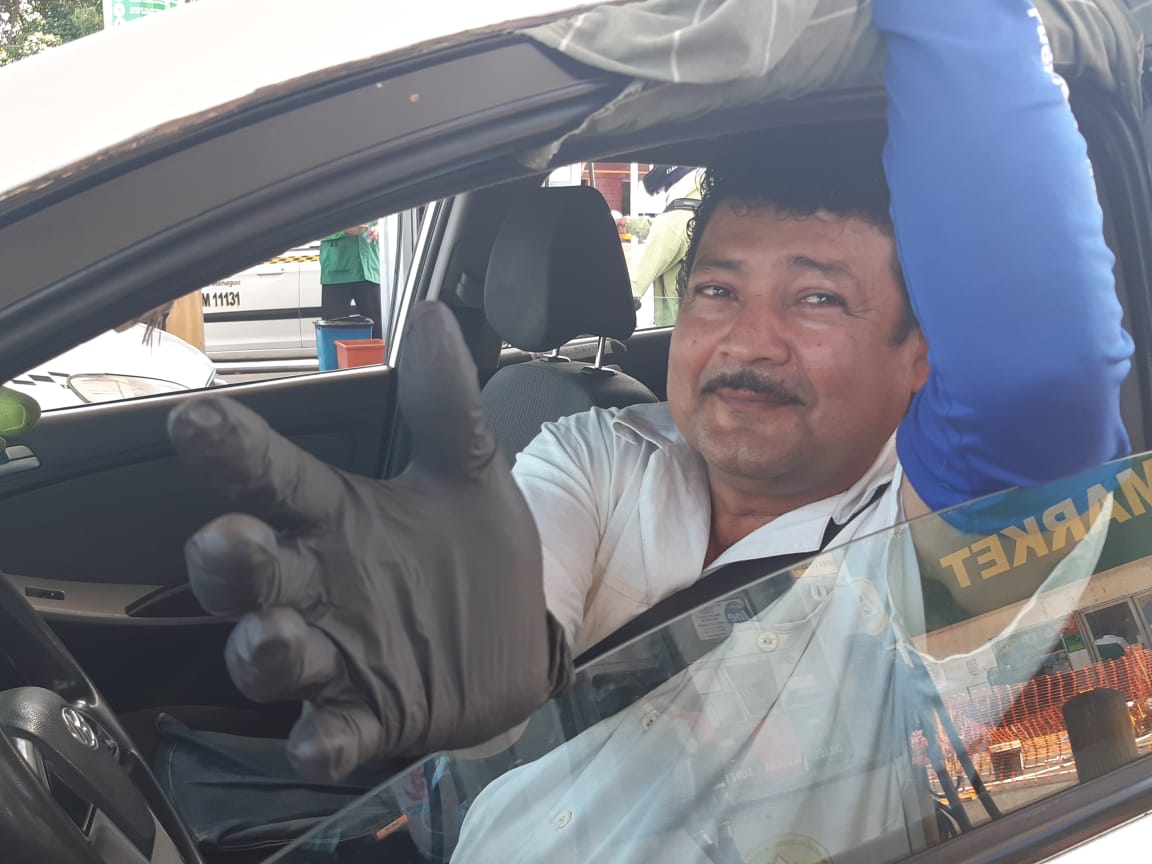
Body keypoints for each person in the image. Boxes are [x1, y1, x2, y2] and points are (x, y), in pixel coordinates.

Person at [164, 0, 1133, 856]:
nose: (748, 340)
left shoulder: (932, 544)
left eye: (818, 299)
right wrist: (482, 641)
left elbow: (1041, 372)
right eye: (715, 289)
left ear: (921, 357)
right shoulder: (601, 451)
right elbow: (506, 596)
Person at [629, 166, 702, 326]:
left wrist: (625, 300)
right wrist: (629, 224)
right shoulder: (700, 209)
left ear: (674, 183)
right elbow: (670, 230)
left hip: (675, 324)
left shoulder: (674, 218)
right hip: (699, 317)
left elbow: (638, 278)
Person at [319, 222, 383, 339]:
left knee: (378, 331)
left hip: (369, 271)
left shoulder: (374, 202)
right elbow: (315, 229)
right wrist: (342, 230)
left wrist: (380, 230)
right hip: (336, 275)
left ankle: (378, 358)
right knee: (333, 333)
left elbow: (388, 222)